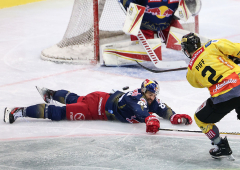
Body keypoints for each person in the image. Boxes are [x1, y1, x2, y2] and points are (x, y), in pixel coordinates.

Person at [3, 79, 192, 133]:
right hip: (95, 109)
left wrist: (174, 116)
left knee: (76, 98)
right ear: (143, 92)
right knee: (59, 113)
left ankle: (52, 94)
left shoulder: (149, 99)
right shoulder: (136, 98)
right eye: (150, 94)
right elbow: (139, 111)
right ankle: (18, 111)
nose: (153, 97)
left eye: (154, 94)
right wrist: (149, 118)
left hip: (100, 98)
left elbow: (161, 108)